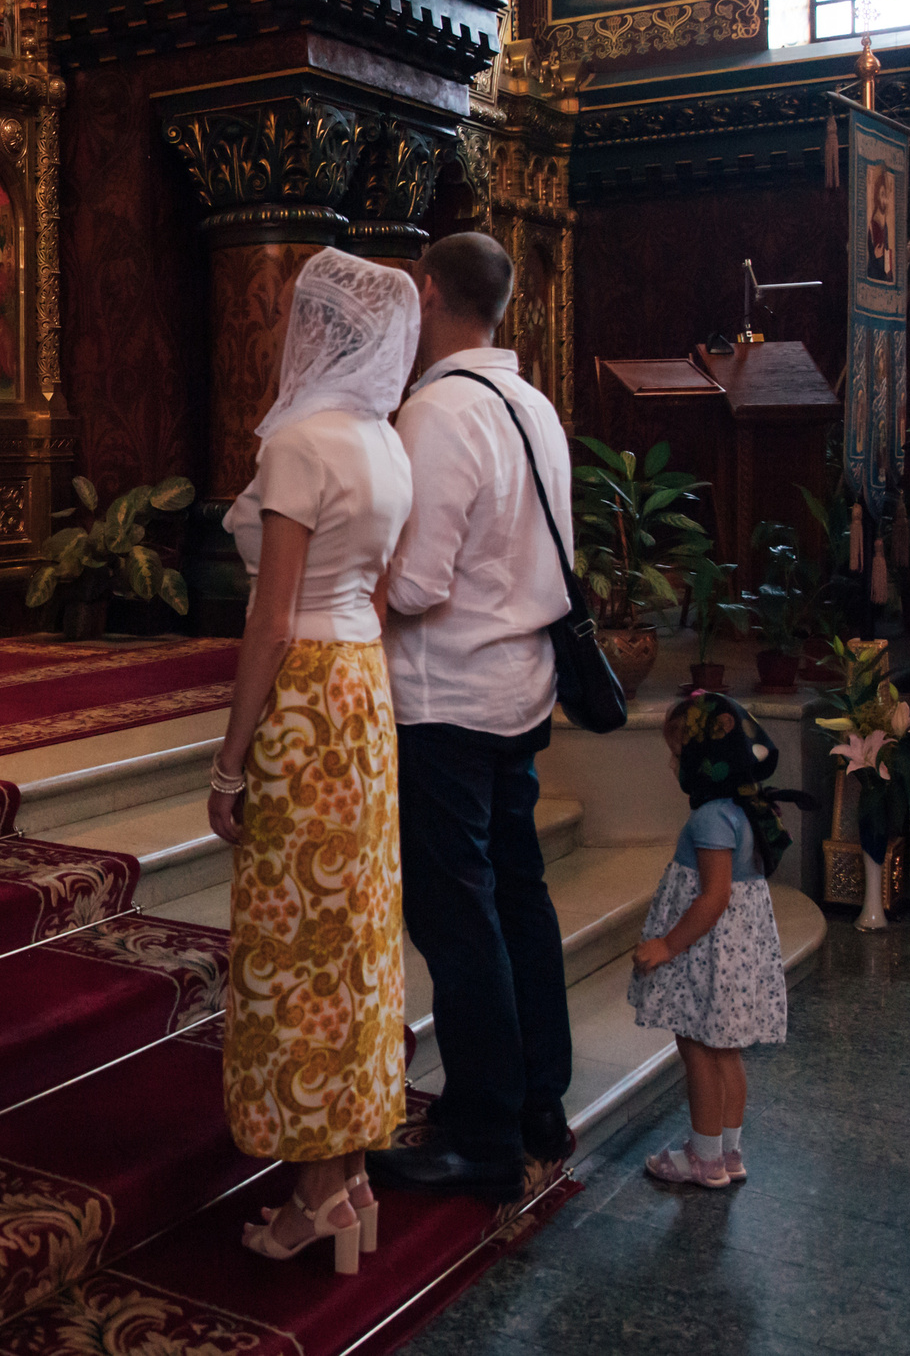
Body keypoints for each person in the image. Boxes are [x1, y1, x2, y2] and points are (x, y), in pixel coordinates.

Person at [208, 248, 417, 1275]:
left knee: (294, 940)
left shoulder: (299, 443)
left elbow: (272, 617)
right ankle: (348, 1170)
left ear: (320, 330)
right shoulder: (385, 444)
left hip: (303, 700)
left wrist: (231, 759)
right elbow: (375, 599)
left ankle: (314, 1191)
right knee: (354, 930)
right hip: (364, 693)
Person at [371, 231, 578, 1201]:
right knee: (517, 894)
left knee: (458, 915)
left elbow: (414, 583)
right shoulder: (532, 404)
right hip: (520, 691)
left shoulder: (437, 411)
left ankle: (483, 1131)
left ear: (427, 295)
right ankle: (540, 1098)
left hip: (444, 698)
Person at [630, 693, 799, 1189]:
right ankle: (728, 1153)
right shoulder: (744, 810)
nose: (675, 764)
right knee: (727, 1052)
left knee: (699, 1048)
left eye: (680, 754)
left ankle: (702, 1160)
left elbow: (713, 897)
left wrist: (667, 945)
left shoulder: (710, 819)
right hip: (732, 953)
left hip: (706, 953)